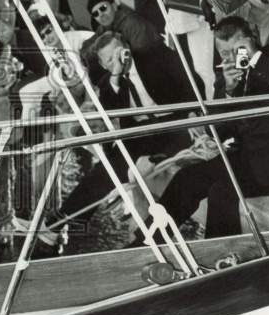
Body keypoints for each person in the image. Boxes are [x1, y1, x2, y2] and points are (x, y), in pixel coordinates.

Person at [19, 32, 198, 241]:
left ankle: (57, 226)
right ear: (104, 65)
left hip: (176, 125)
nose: (120, 60)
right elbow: (111, 109)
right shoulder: (109, 83)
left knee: (117, 164)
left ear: (126, 47)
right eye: (110, 60)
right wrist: (116, 76)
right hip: (144, 133)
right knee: (106, 167)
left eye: (119, 53)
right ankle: (57, 226)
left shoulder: (154, 58)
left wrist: (193, 113)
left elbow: (190, 82)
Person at [152, 17, 269, 239]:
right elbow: (217, 130)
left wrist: (254, 56)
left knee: (222, 192)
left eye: (236, 50)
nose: (231, 59)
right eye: (224, 54)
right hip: (245, 157)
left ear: (251, 40)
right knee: (187, 178)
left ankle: (222, 255)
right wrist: (229, 92)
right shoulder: (226, 78)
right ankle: (148, 239)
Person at [88, 0, 164, 53]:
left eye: (103, 8)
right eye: (96, 14)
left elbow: (143, 54)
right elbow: (87, 47)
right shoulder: (103, 29)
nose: (101, 14)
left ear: (114, 6)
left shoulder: (132, 23)